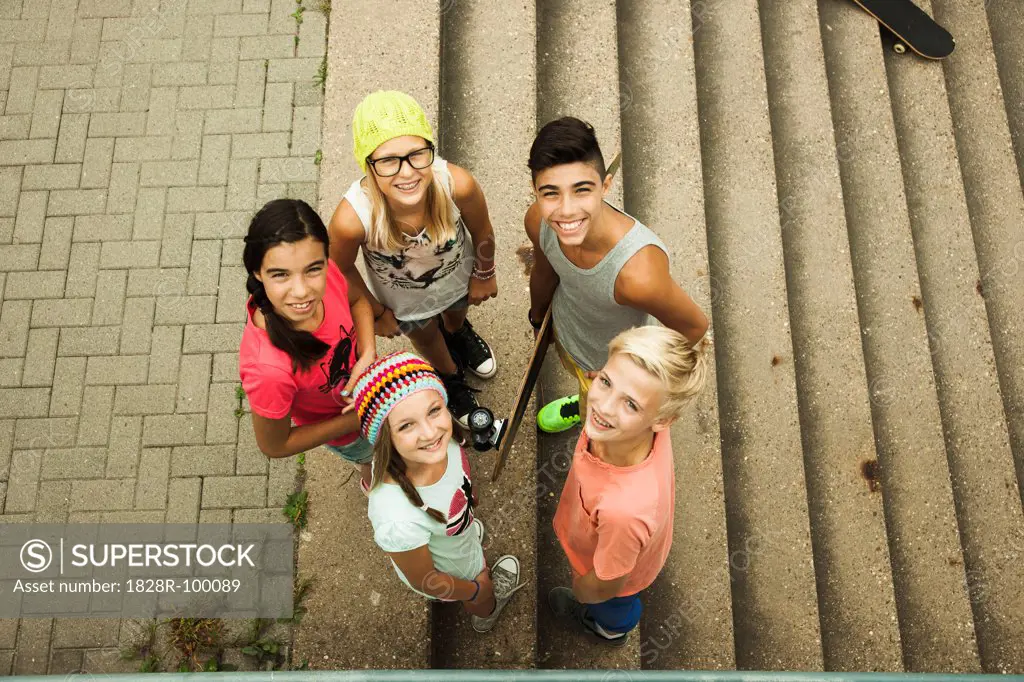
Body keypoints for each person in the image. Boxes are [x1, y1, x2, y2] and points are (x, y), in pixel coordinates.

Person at [524, 116, 709, 433]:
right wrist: (539, 320)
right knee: (582, 384)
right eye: (551, 193)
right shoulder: (537, 221)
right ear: (535, 191)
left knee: (596, 411)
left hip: (607, 367)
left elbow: (694, 328)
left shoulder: (638, 276)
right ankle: (582, 401)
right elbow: (544, 270)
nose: (566, 210)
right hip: (569, 337)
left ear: (605, 185)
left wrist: (627, 380)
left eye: (581, 190)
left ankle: (587, 410)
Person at [329, 90, 499, 428]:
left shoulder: (457, 185)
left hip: (458, 281)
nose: (406, 172)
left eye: (417, 154)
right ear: (368, 165)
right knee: (427, 338)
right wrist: (376, 312)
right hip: (406, 303)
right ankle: (449, 375)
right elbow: (339, 268)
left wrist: (484, 273)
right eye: (388, 161)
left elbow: (483, 230)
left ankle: (459, 331)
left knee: (455, 315)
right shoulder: (352, 220)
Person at [549, 325, 710, 645]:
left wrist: (583, 592)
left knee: (614, 607)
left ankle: (612, 630)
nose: (604, 407)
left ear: (662, 420)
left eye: (631, 404)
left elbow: (607, 584)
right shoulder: (628, 428)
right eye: (606, 382)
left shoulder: (624, 511)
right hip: (616, 538)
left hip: (613, 572)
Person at [353, 351, 525, 632]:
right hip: (454, 571)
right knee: (482, 594)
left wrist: (468, 505)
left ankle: (460, 532)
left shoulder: (444, 443)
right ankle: (486, 611)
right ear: (386, 438)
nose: (430, 432)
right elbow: (426, 580)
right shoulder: (398, 520)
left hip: (455, 538)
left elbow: (457, 480)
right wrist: (472, 590)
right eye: (406, 425)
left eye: (434, 410)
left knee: (461, 537)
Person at [239, 198, 376, 491]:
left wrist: (367, 353)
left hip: (371, 397)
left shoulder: (331, 277)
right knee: (375, 461)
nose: (302, 292)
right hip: (349, 431)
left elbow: (358, 300)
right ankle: (372, 481)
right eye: (280, 275)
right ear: (257, 273)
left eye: (313, 269)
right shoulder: (268, 371)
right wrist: (356, 419)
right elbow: (275, 445)